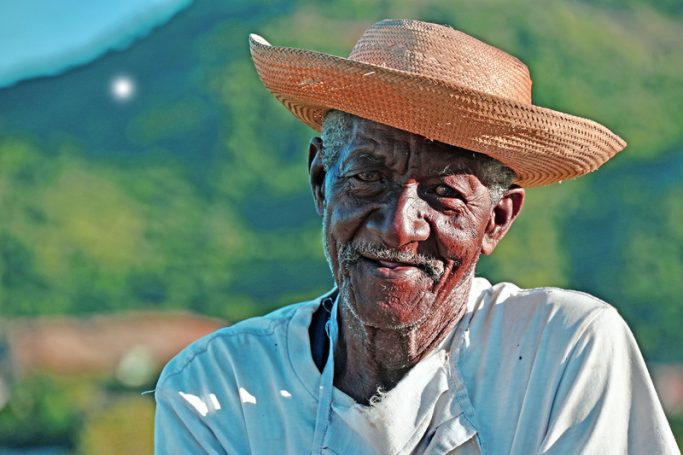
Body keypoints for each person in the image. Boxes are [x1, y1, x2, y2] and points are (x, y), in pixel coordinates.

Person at [153, 19, 678, 454]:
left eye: (445, 193)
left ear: (497, 220)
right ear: (320, 182)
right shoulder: (212, 387)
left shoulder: (563, 351)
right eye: (367, 178)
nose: (399, 226)